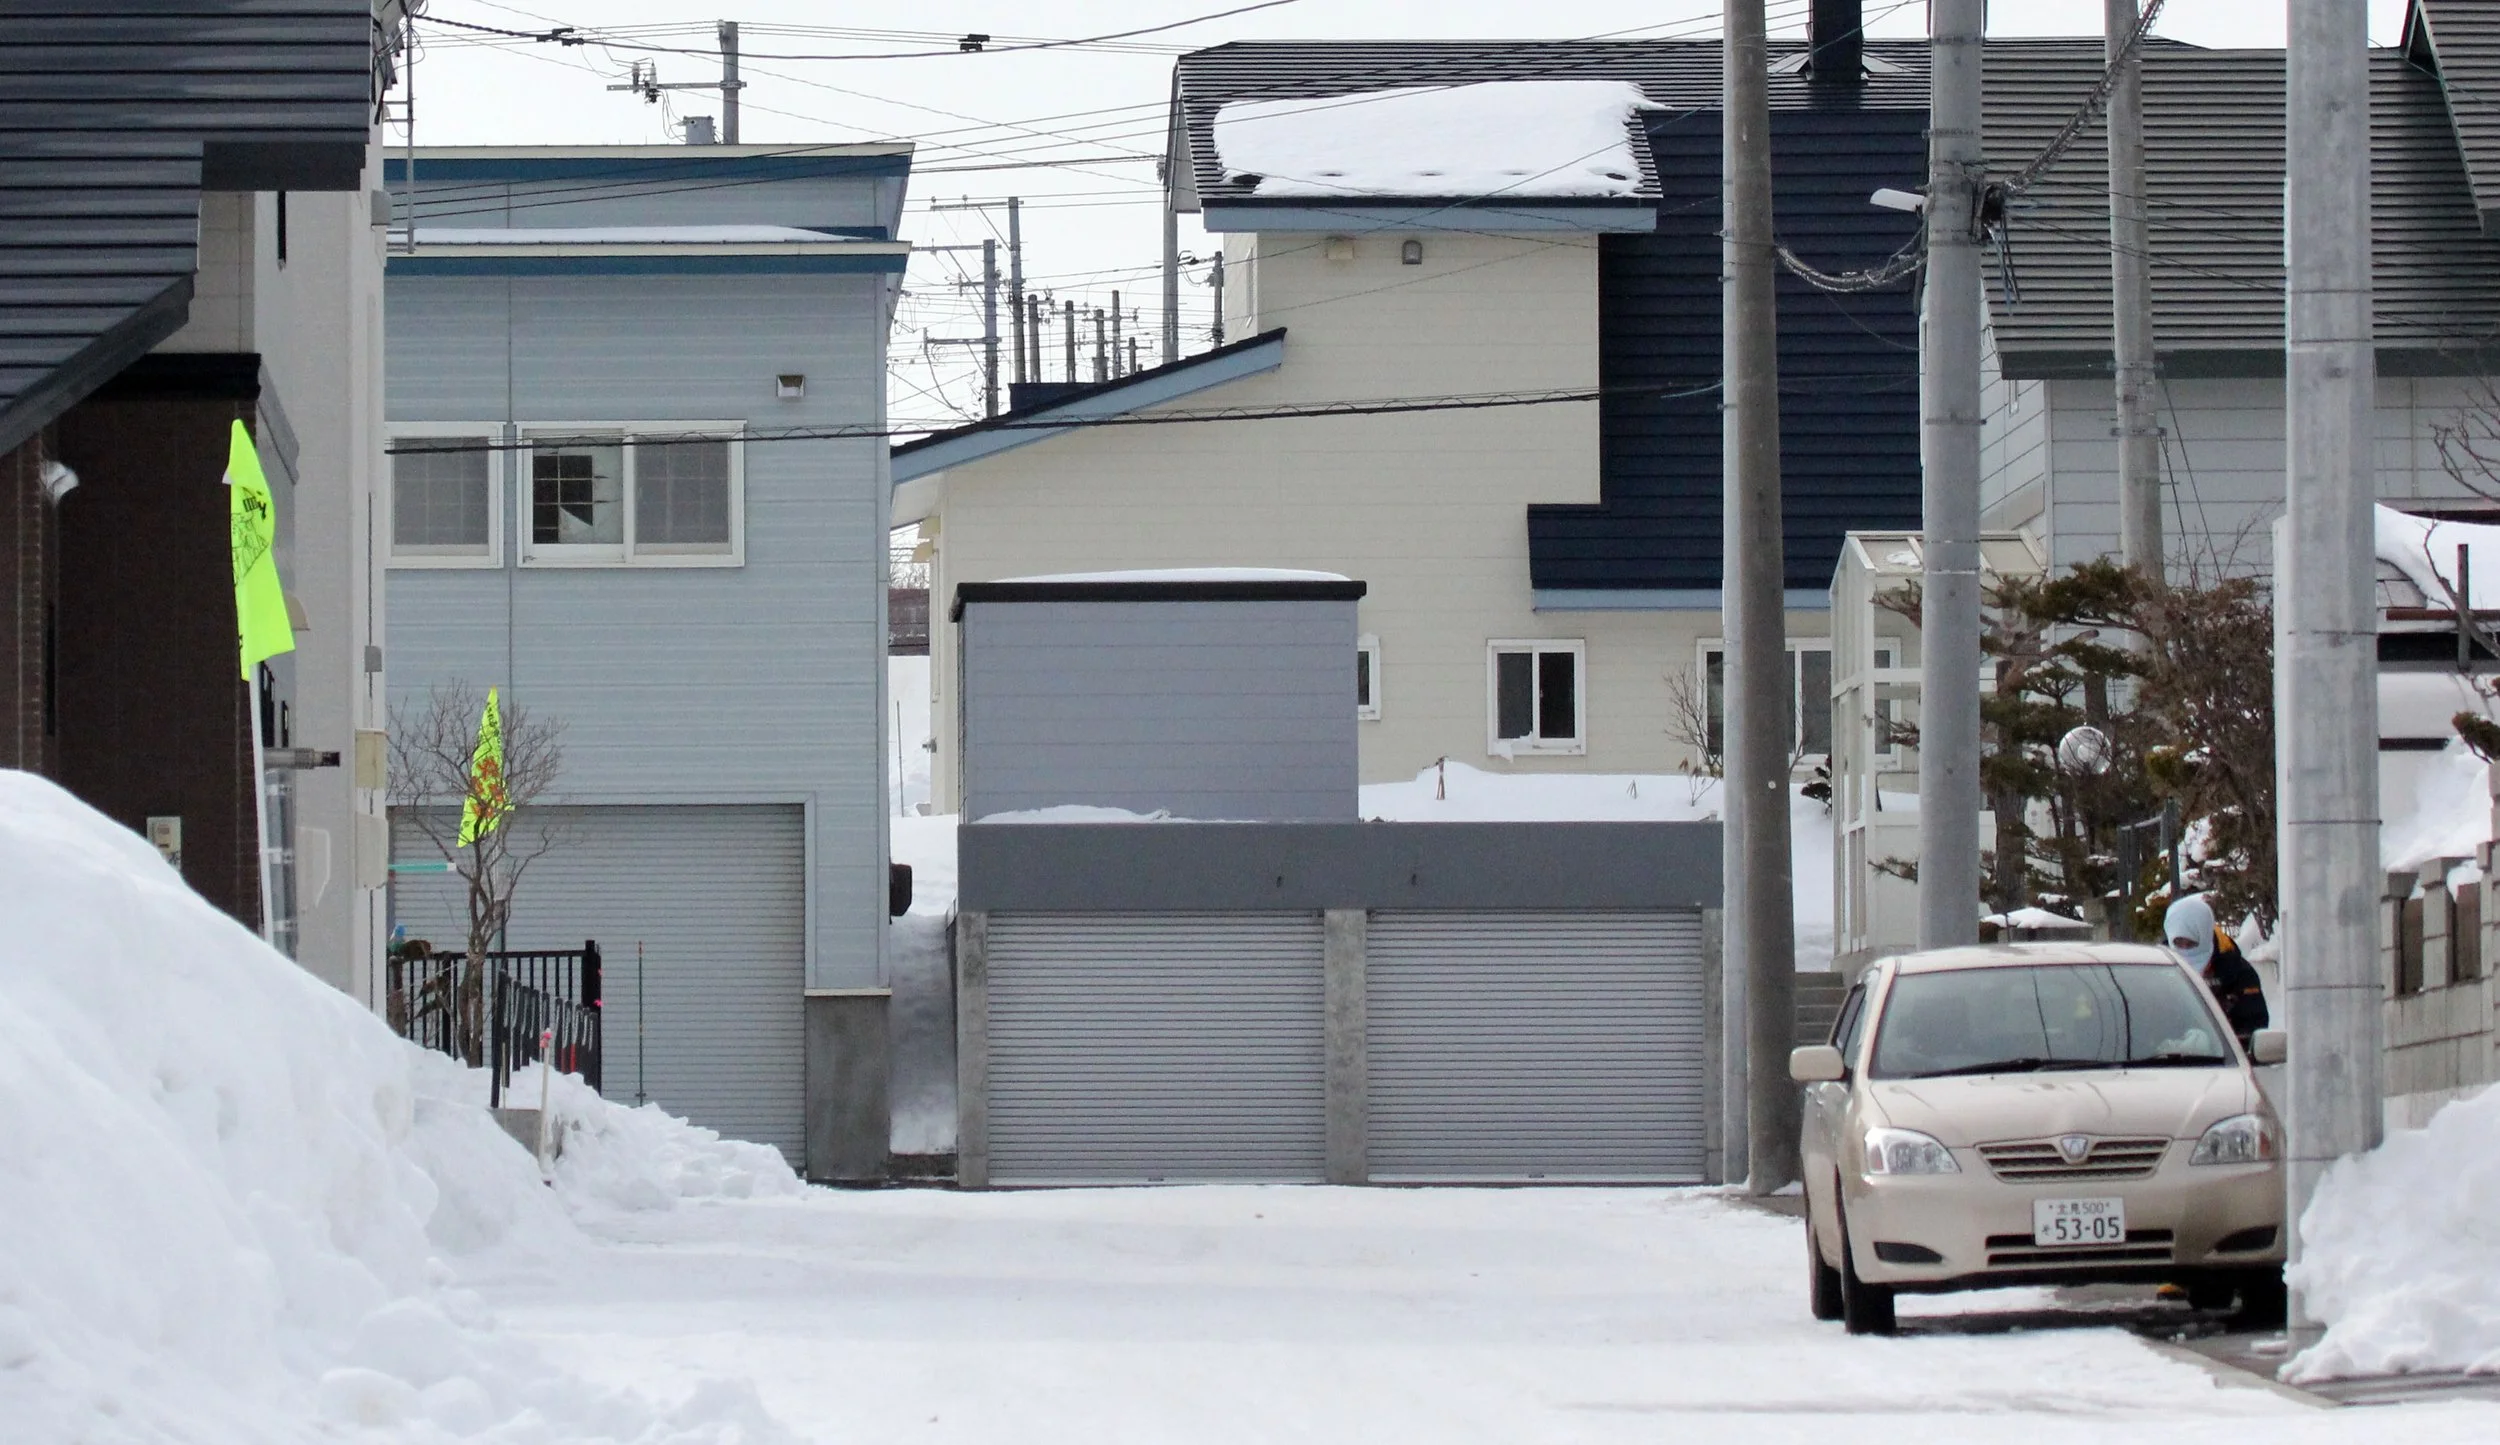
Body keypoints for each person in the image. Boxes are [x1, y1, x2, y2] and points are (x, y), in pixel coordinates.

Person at [2162, 893, 2269, 1046]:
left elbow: (2254, 1027)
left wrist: (2215, 1042)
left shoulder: (2238, 973)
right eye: (2179, 943)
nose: (2185, 949)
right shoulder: (2159, 972)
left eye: (2192, 943)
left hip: (2223, 1063)